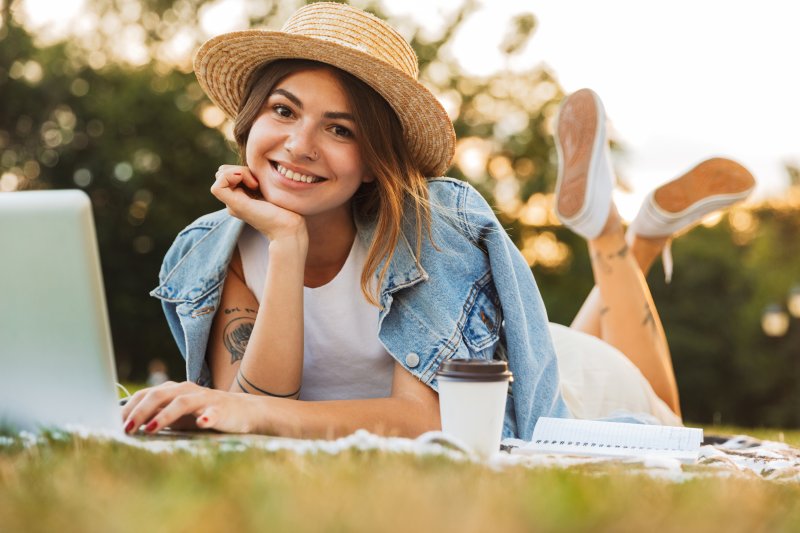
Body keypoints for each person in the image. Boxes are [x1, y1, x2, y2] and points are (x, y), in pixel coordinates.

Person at [121, 3, 754, 440]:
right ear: (249, 124)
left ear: (373, 163)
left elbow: (429, 417)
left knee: (667, 423)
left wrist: (245, 414)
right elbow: (254, 407)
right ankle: (640, 236)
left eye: (339, 129)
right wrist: (286, 244)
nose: (301, 143)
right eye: (284, 112)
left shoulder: (426, 233)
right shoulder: (216, 248)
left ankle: (619, 240)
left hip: (547, 378)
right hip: (521, 339)